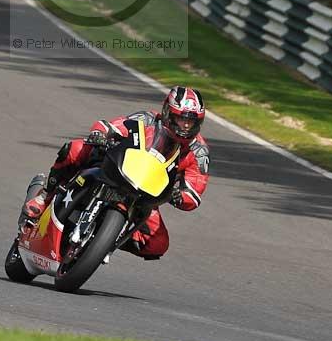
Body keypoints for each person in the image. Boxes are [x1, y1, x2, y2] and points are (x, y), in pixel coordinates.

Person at [20, 86, 210, 260]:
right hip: (117, 167)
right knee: (76, 148)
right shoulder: (147, 119)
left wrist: (180, 196)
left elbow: (195, 189)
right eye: (182, 119)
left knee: (157, 244)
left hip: (146, 194)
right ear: (168, 112)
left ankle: (105, 240)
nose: (186, 126)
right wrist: (100, 134)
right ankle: (45, 195)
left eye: (192, 122)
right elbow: (114, 126)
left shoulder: (199, 151)